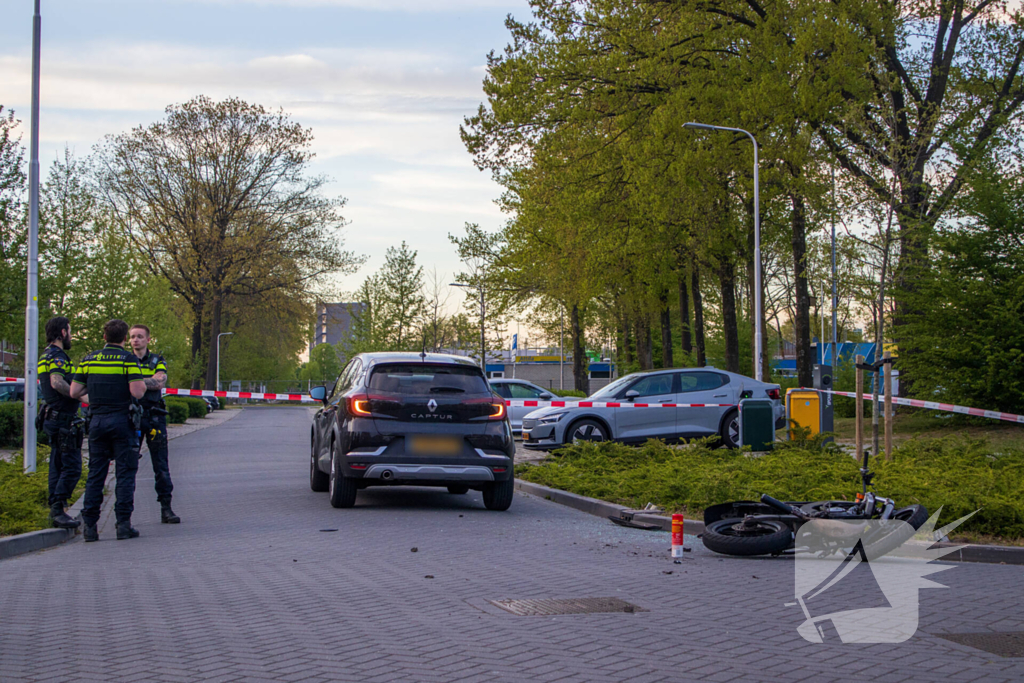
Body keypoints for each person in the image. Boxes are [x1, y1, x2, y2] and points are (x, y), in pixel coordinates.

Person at [70, 319, 147, 541]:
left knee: (96, 474)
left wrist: (94, 398)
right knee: (125, 473)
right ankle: (123, 525)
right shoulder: (128, 360)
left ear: (104, 337)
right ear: (124, 338)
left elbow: (74, 391)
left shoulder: (89, 360)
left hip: (97, 422)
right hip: (122, 422)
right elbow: (138, 392)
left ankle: (90, 527)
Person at [128, 324, 179, 524]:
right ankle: (125, 515)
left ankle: (166, 508)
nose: (135, 340)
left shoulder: (157, 360)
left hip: (154, 417)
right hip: (132, 417)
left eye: (140, 336)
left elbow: (159, 382)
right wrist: (146, 381)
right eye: (132, 336)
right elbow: (151, 381)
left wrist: (134, 382)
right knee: (128, 466)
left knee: (161, 465)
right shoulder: (126, 360)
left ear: (148, 339)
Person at [37, 317, 85, 529]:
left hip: (53, 418)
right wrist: (76, 394)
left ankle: (56, 509)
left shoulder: (45, 354)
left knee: (56, 464)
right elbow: (57, 382)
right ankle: (58, 509)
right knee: (72, 467)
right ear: (63, 333)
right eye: (70, 331)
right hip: (62, 420)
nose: (71, 336)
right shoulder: (58, 356)